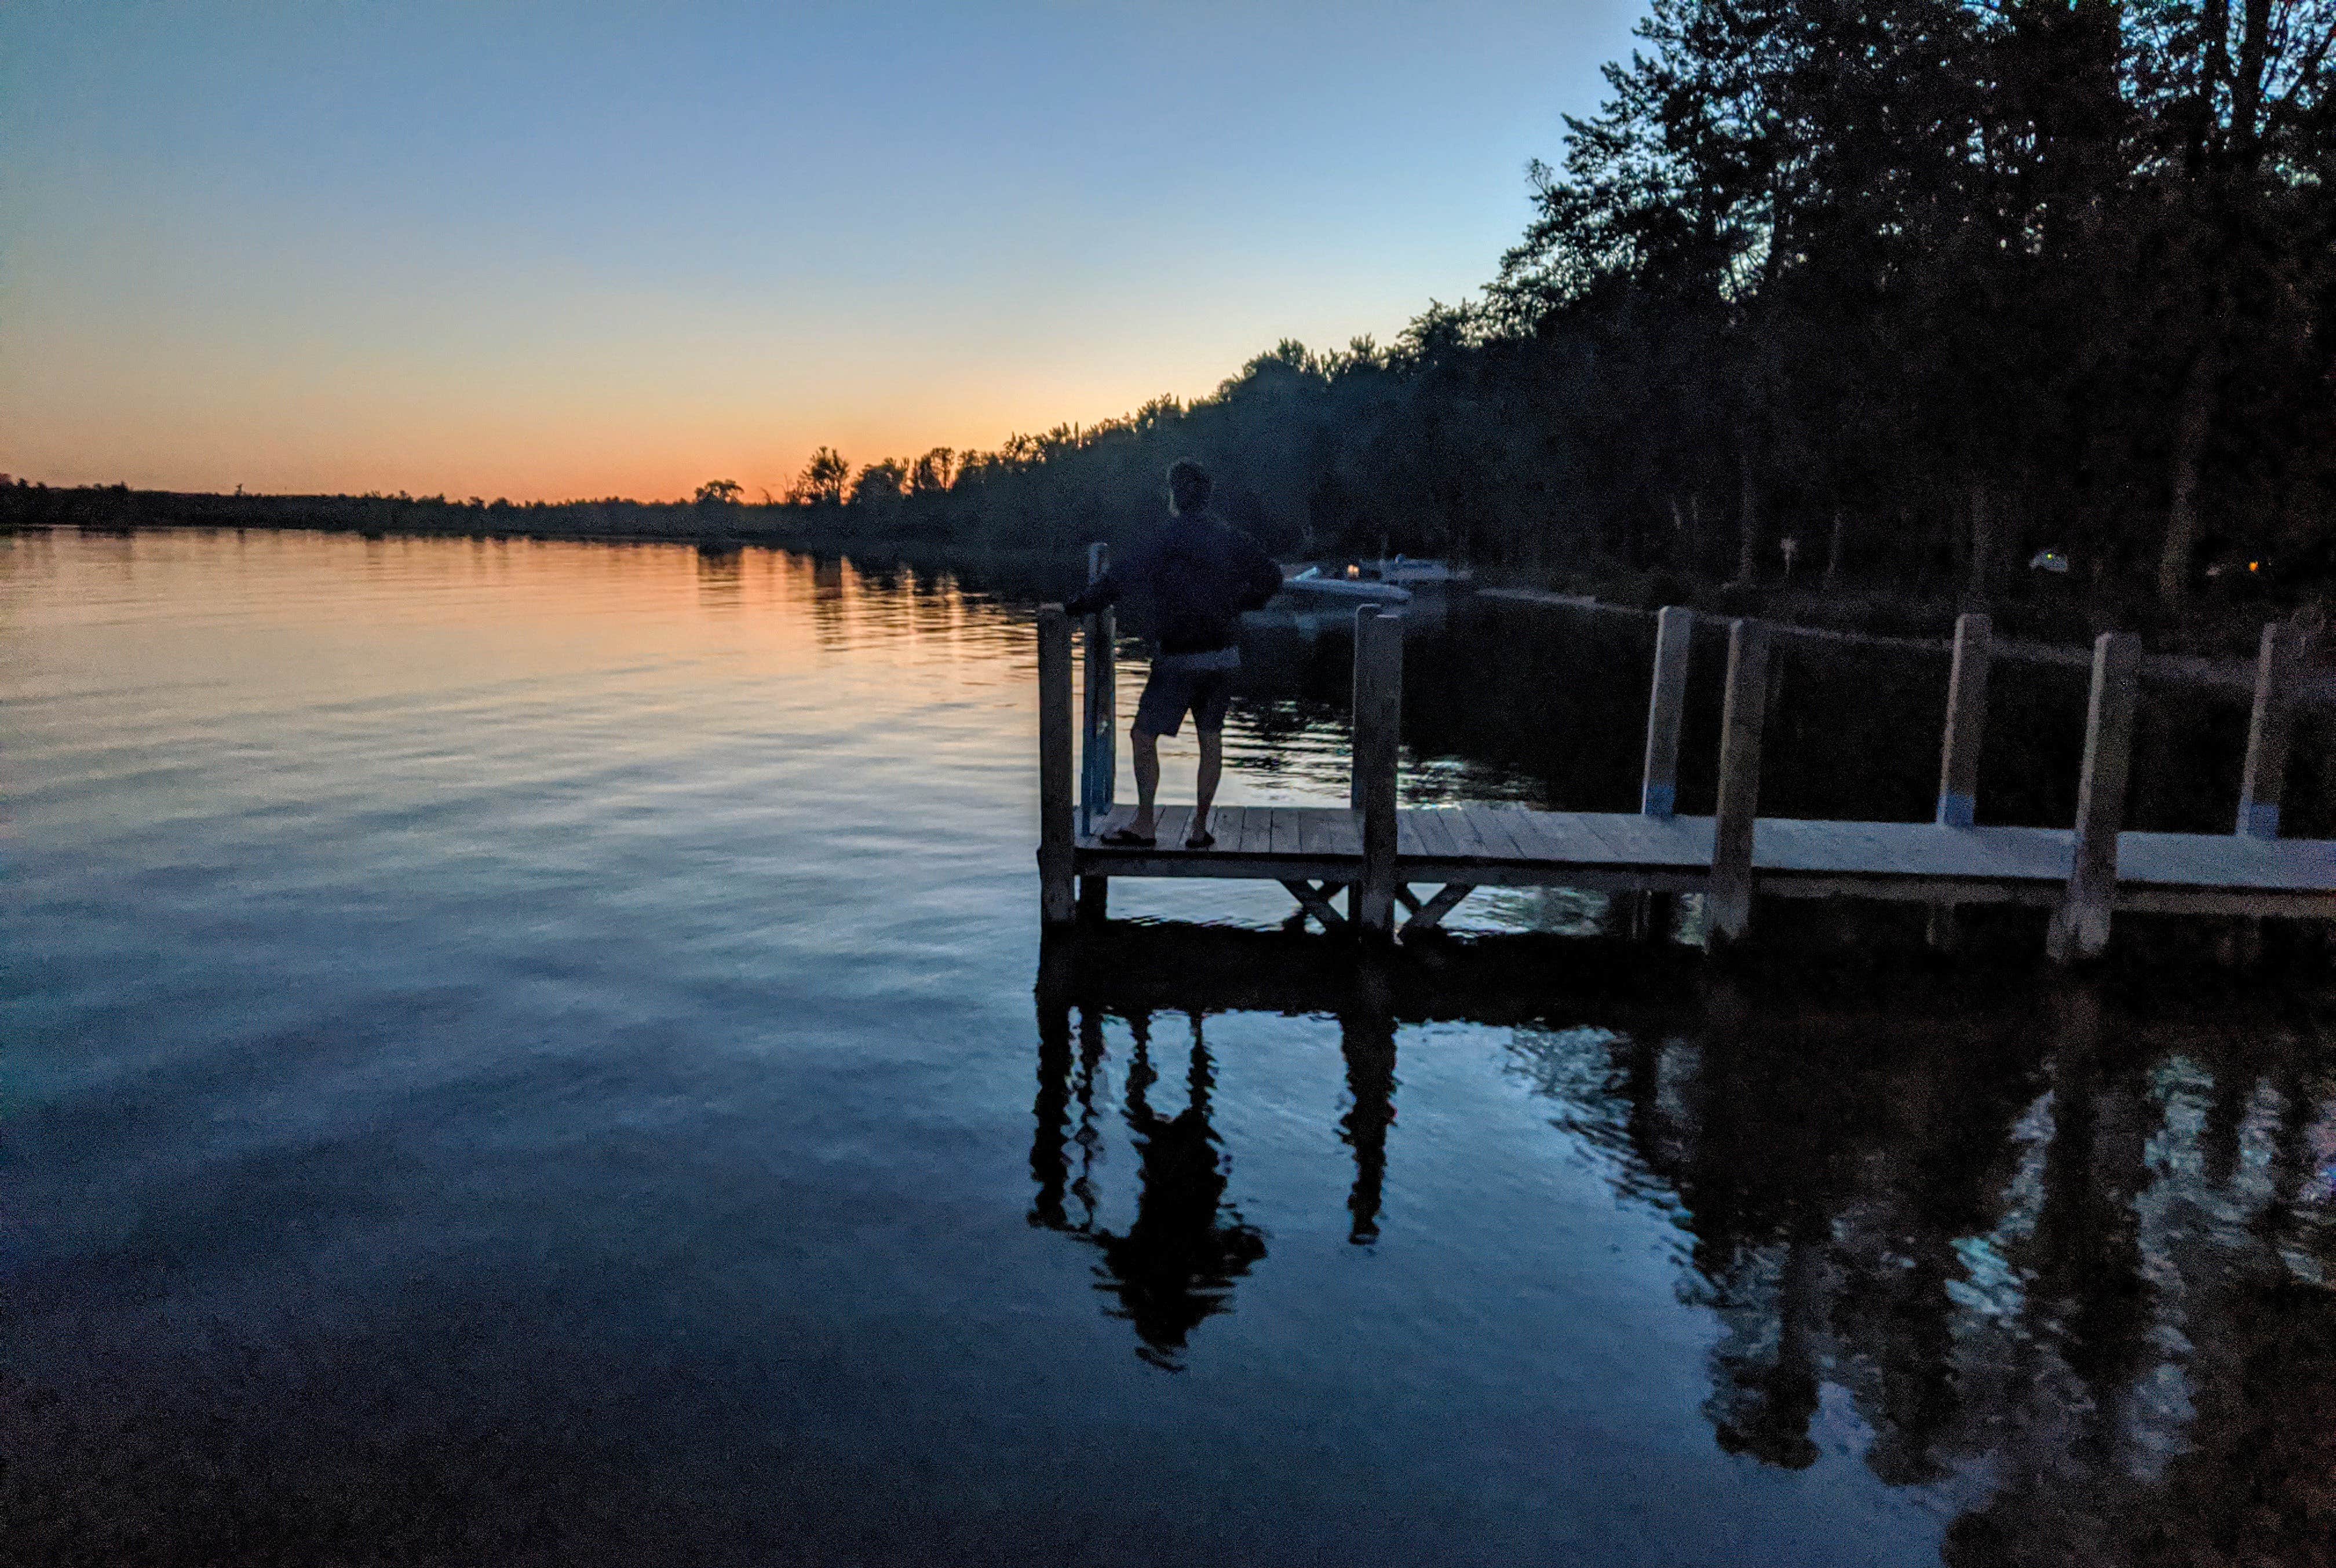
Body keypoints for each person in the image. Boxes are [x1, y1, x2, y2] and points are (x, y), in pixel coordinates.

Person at [1063, 459, 1283, 849]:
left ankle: (1145, 824)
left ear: (1175, 495)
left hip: (1180, 659)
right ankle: (1199, 829)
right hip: (1224, 657)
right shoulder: (1230, 537)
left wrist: (1078, 606)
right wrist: (1238, 603)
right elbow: (1272, 577)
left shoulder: (1167, 538)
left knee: (1143, 736)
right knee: (1210, 738)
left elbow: (1120, 578)